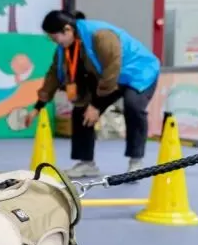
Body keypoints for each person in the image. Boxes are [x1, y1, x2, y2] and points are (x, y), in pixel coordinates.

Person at [24, 10, 161, 178]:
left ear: (67, 29)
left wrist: (96, 105)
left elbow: (112, 70)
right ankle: (86, 163)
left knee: (133, 105)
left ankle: (136, 162)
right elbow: (53, 75)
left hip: (139, 72)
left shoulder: (100, 36)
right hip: (112, 78)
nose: (54, 41)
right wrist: (38, 107)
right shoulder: (64, 48)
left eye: (54, 37)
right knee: (81, 108)